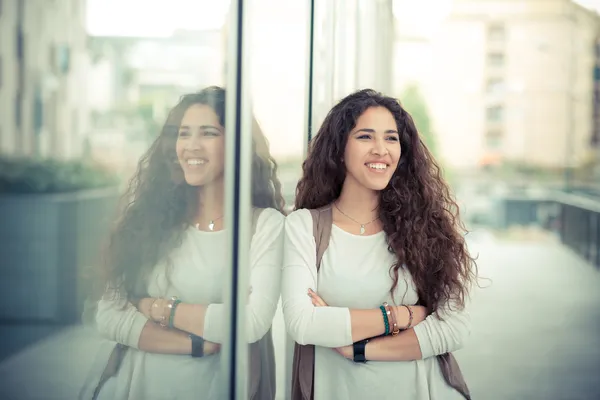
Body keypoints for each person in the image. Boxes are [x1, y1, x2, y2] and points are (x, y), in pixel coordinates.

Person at [87, 86, 285, 400]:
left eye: (207, 133)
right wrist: (198, 343)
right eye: (183, 134)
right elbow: (108, 315)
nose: (191, 146)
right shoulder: (149, 221)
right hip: (141, 386)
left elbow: (250, 323)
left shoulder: (264, 226)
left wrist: (151, 307)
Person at [282, 89, 478, 399]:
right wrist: (402, 316)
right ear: (338, 149)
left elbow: (454, 327)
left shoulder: (426, 227)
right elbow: (303, 323)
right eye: (365, 137)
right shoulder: (303, 226)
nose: (381, 150)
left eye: (391, 138)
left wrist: (355, 349)